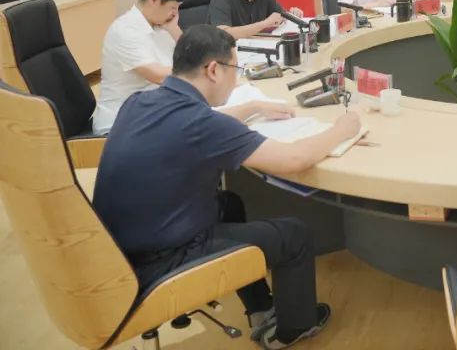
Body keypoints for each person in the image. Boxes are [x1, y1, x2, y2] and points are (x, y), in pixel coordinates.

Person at [93, 25, 363, 350]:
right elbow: (294, 159)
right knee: (294, 236)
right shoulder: (203, 125)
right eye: (235, 69)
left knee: (230, 203)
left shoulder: (139, 102)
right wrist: (341, 129)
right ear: (213, 70)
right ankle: (292, 329)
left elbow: (203, 124)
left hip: (113, 249)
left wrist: (252, 108)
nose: (236, 79)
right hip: (157, 261)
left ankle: (260, 309)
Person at [93, 0, 191, 134]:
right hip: (121, 126)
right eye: (173, 7)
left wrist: (174, 30)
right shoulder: (125, 31)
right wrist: (199, 72)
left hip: (152, 113)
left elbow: (191, 56)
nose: (175, 13)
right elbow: (159, 76)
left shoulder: (162, 26)